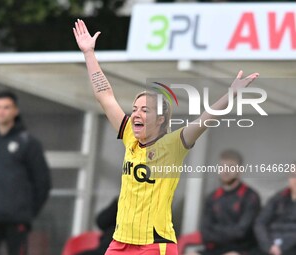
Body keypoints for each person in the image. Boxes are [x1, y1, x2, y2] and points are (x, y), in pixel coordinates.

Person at [73, 19, 259, 255]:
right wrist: (89, 53)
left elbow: (205, 119)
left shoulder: (172, 145)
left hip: (154, 244)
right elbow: (105, 96)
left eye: (145, 110)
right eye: (135, 108)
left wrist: (231, 95)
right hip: (119, 242)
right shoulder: (130, 134)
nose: (136, 114)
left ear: (161, 119)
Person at [0, 91, 51, 255]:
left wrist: (27, 211)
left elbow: (42, 182)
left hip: (17, 218)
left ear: (15, 111)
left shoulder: (28, 142)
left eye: (6, 107)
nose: (1, 111)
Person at [191, 150, 260, 255]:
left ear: (240, 170)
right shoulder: (212, 197)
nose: (226, 171)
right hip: (214, 249)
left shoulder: (251, 197)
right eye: (222, 166)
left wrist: (216, 231)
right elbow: (205, 232)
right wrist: (227, 232)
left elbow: (241, 232)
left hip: (240, 250)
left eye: (231, 167)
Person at [254, 170, 296, 255]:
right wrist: (269, 246)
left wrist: (282, 247)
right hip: (270, 247)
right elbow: (260, 223)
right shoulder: (278, 198)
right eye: (293, 175)